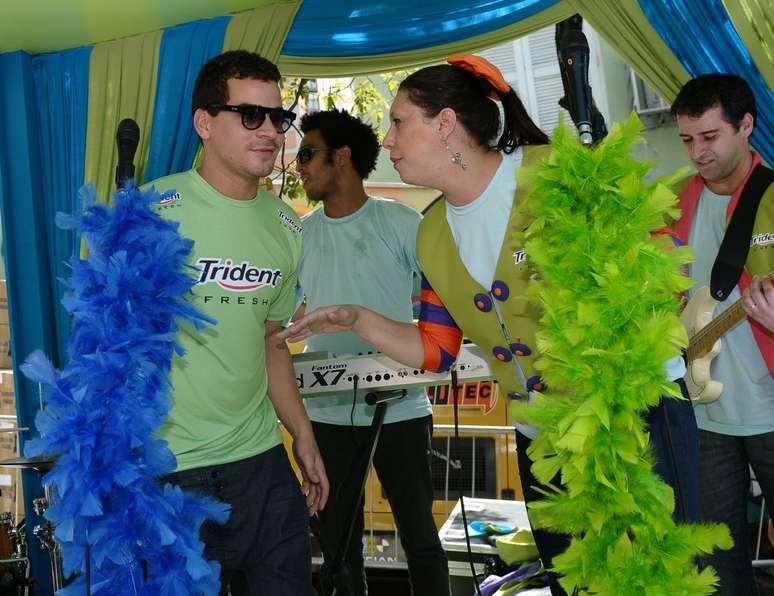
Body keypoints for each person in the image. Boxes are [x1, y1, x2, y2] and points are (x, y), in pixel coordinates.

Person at [277, 55, 698, 596]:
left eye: (400, 120)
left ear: (446, 123)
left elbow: (663, 276)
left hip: (635, 420)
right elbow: (435, 349)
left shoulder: (556, 174)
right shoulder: (430, 233)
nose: (389, 138)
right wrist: (358, 317)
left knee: (658, 581)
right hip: (540, 438)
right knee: (575, 584)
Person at [146, 50, 329, 595]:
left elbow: (271, 343)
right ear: (205, 122)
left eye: (279, 118)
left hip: (260, 463)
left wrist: (302, 435)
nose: (270, 131)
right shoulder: (151, 211)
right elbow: (105, 347)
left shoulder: (284, 227)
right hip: (170, 471)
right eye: (251, 116)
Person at [293, 108, 449, 595]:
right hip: (325, 414)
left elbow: (446, 296)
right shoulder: (298, 235)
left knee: (420, 539)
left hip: (401, 407)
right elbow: (281, 315)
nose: (298, 166)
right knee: (337, 548)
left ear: (342, 157)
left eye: (306, 153)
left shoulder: (400, 220)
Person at [671, 73, 774, 596]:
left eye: (709, 137)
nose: (697, 152)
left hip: (771, 410)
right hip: (701, 414)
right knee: (716, 565)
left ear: (746, 125)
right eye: (688, 140)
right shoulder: (665, 205)